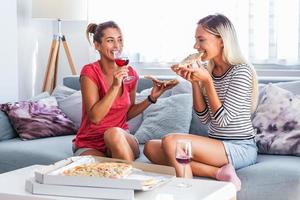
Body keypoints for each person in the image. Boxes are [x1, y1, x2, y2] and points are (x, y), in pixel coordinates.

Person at [144, 14, 258, 191]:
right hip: (215, 145)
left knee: (172, 142)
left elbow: (222, 121)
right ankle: (219, 173)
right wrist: (195, 82)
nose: (196, 46)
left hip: (239, 147)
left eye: (201, 40)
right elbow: (205, 119)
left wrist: (207, 82)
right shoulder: (209, 70)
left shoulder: (241, 71)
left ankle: (187, 192)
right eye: (195, 40)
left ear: (221, 40)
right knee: (150, 148)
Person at [73, 21, 175, 161]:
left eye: (120, 40)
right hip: (91, 142)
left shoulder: (130, 73)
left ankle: (130, 177)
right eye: (110, 41)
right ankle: (130, 176)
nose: (117, 46)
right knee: (96, 171)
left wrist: (151, 98)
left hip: (121, 138)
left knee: (113, 133)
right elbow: (95, 117)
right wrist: (115, 86)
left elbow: (127, 114)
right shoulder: (89, 72)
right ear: (97, 46)